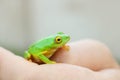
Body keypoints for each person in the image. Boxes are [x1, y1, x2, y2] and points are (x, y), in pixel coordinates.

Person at [0, 39, 120, 80]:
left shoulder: (54, 47)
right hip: (34, 52)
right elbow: (41, 55)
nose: (64, 40)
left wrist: (61, 45)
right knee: (28, 54)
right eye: (58, 40)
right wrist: (49, 63)